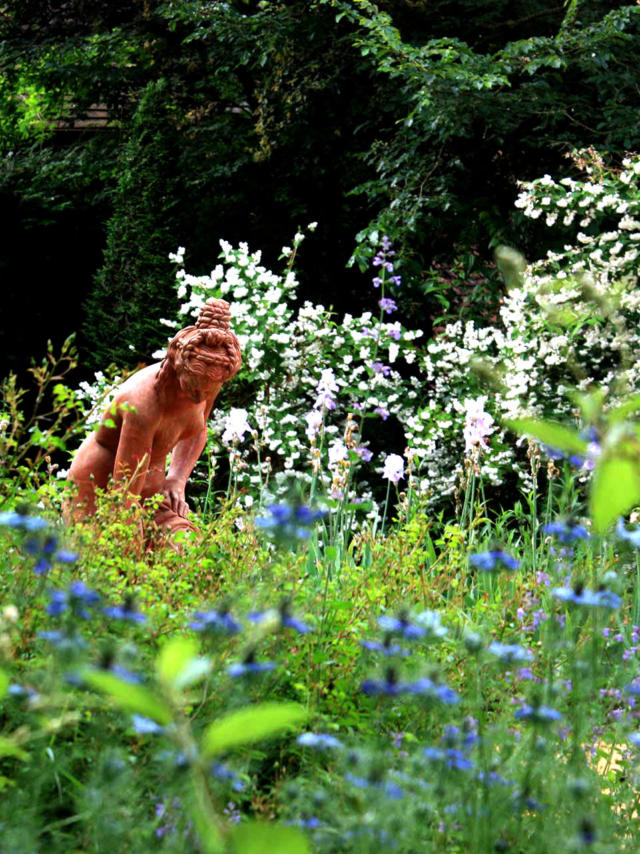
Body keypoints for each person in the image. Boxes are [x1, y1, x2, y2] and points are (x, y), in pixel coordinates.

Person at [66, 298, 241, 536]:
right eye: (195, 388)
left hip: (151, 489)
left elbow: (198, 428)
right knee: (118, 559)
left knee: (184, 548)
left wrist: (177, 479)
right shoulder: (143, 403)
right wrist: (128, 528)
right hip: (103, 488)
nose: (201, 396)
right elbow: (124, 488)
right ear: (179, 365)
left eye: (211, 388)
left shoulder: (209, 376)